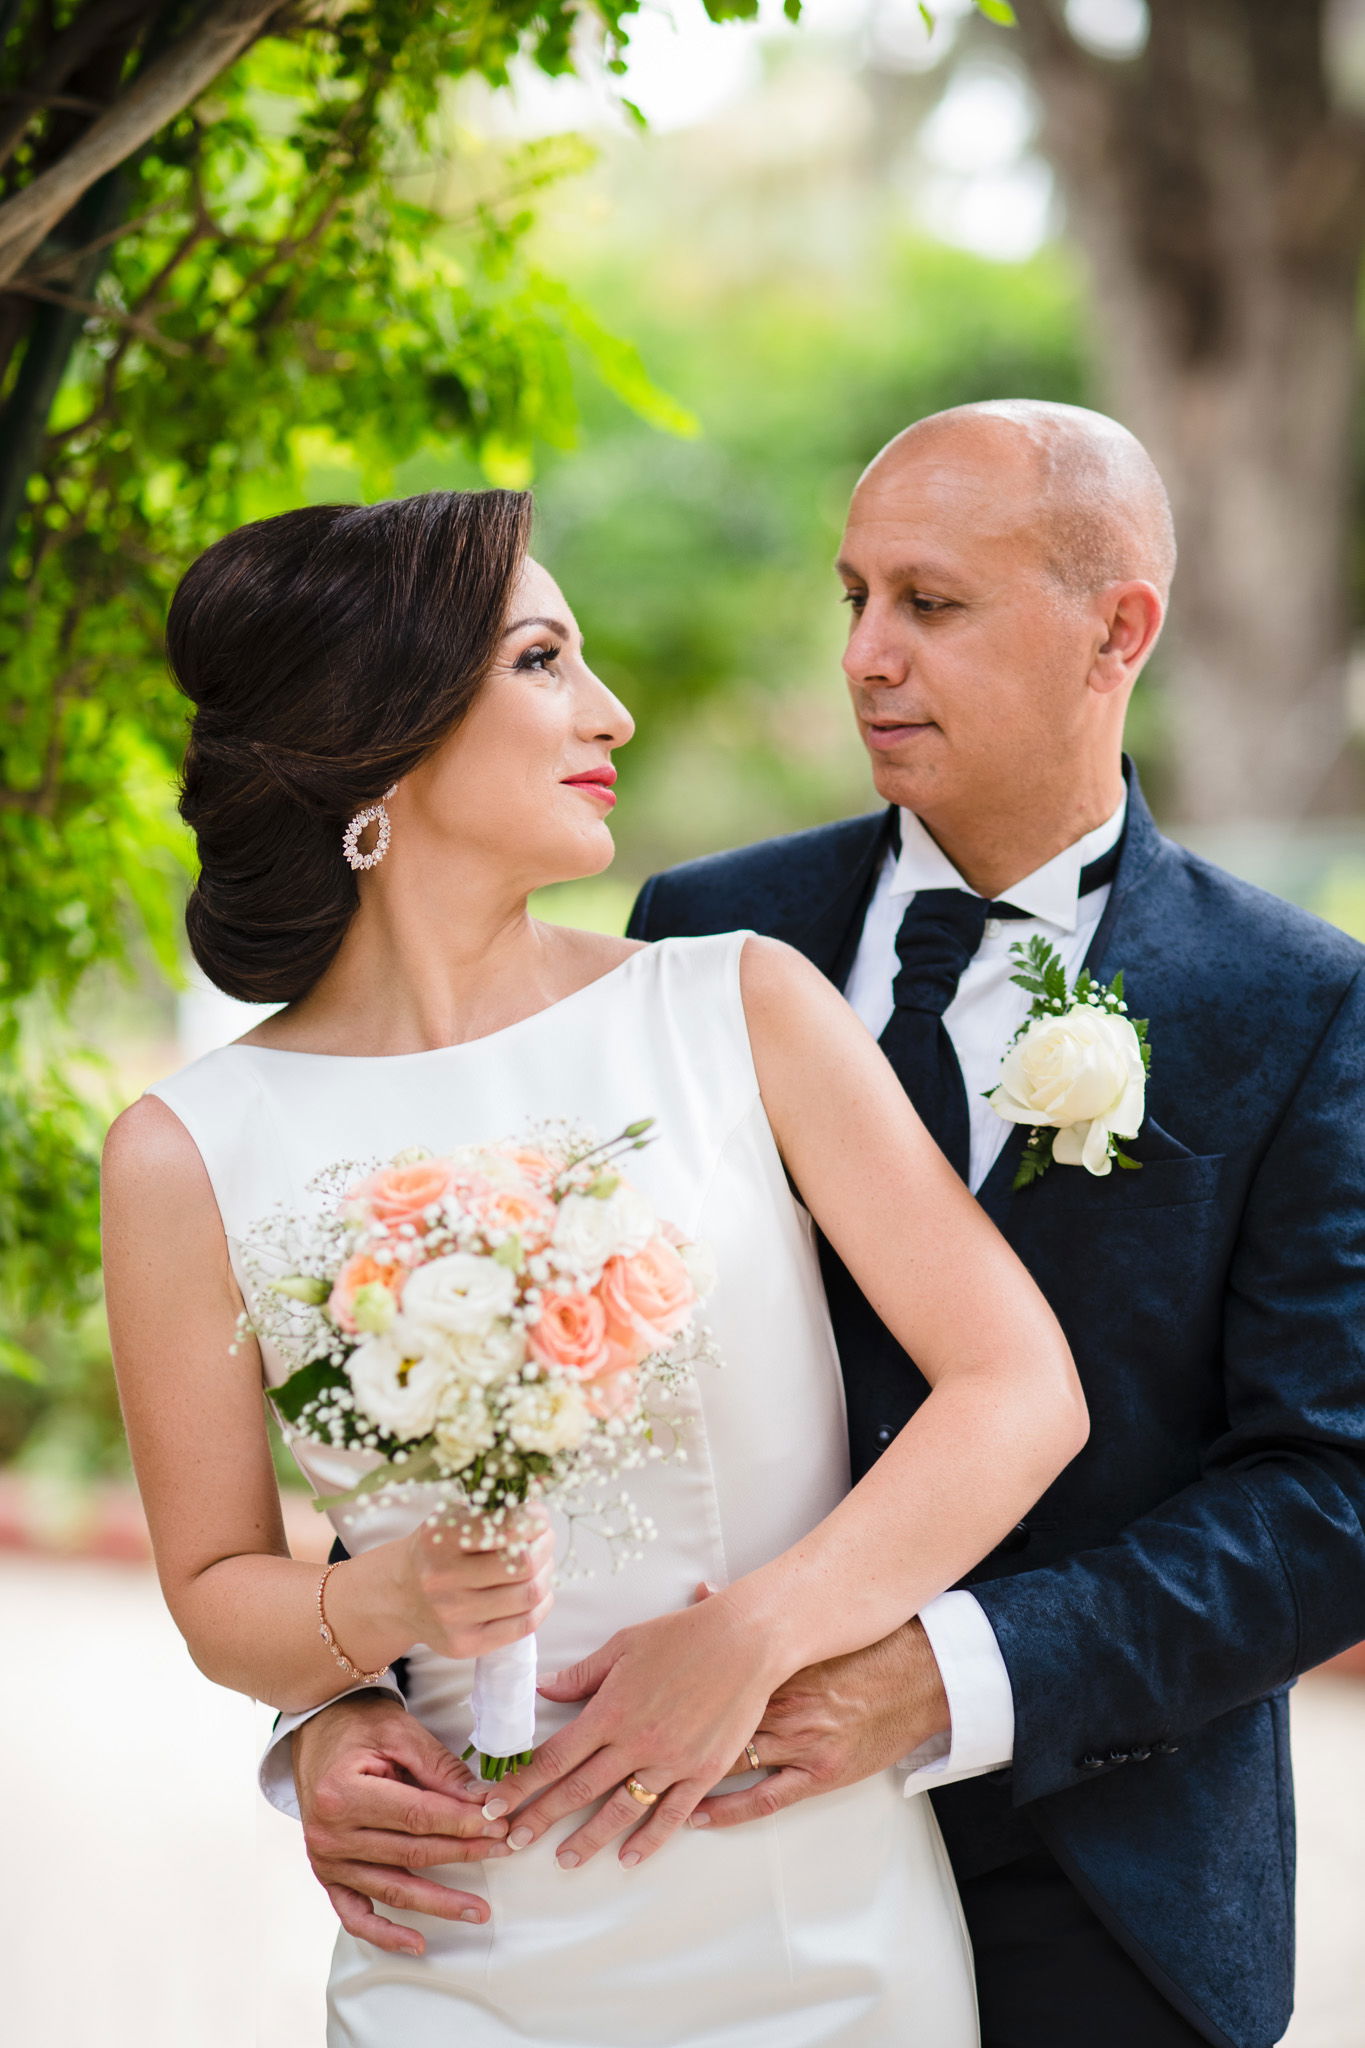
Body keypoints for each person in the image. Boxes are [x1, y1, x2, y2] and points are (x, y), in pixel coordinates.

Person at [291, 404, 1365, 2048]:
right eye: (851, 596)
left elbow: (1330, 1495)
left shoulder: (1296, 1005)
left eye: (928, 606)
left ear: (1117, 629)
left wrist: (938, 1677)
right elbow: (488, 1358)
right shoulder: (697, 931)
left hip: (1096, 1889)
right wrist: (341, 1707)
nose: (866, 654)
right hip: (674, 1870)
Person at [102, 486, 1086, 2047]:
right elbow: (221, 1594)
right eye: (544, 660)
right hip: (465, 1925)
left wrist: (754, 1635)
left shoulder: (735, 1004)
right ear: (385, 736)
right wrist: (393, 1610)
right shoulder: (183, 1149)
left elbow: (1017, 1387)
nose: (607, 709)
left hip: (806, 1901)